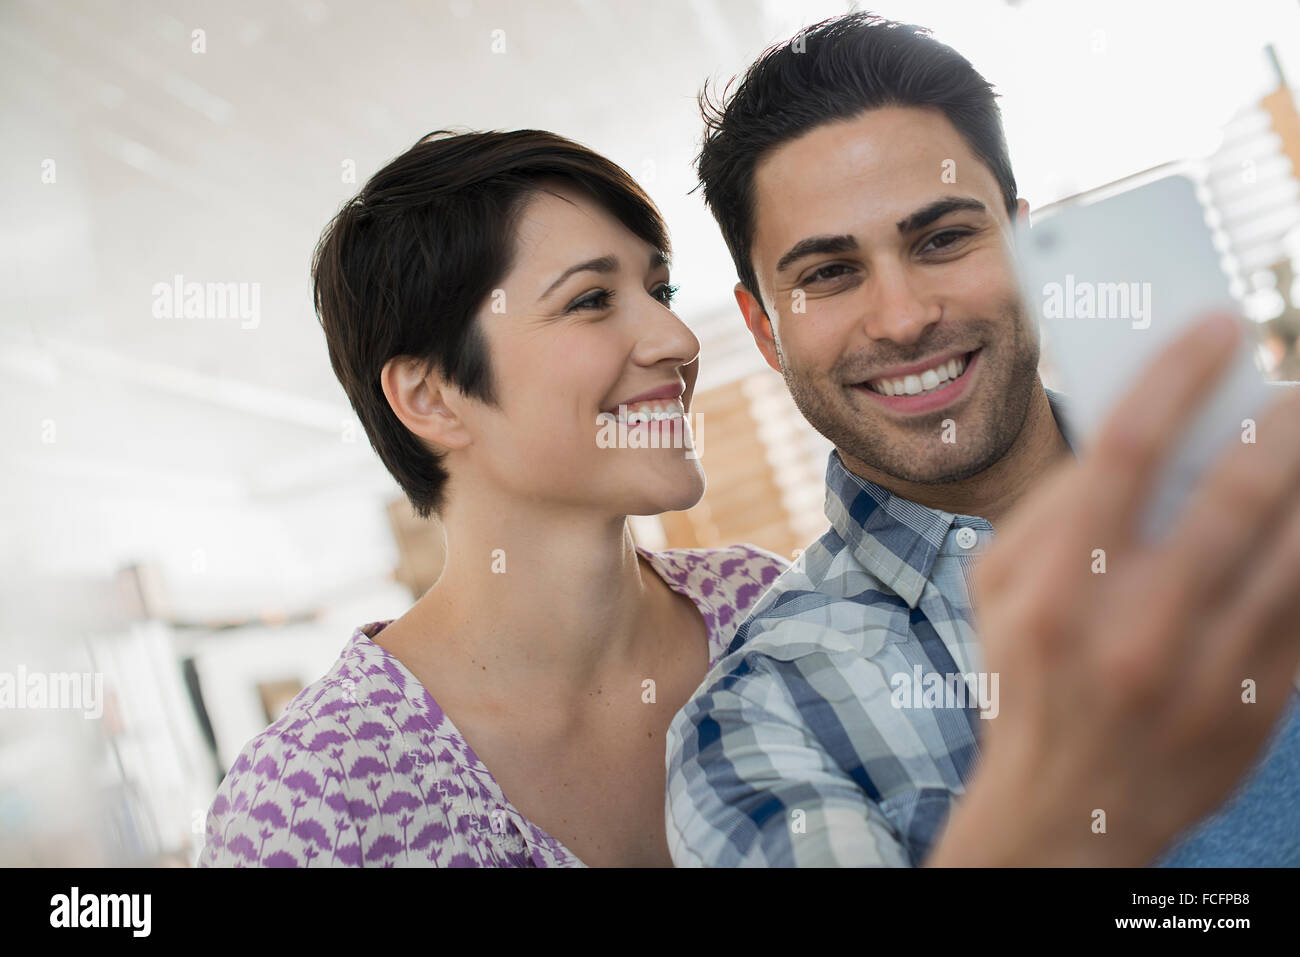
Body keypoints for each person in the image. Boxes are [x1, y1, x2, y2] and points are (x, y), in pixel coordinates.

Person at [666, 11, 1300, 866]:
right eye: (829, 273)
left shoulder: (1270, 483)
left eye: (944, 237)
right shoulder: (755, 720)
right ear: (767, 330)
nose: (903, 318)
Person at [198, 129, 788, 867]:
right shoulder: (312, 797)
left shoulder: (771, 612)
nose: (675, 337)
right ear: (432, 397)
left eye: (659, 290)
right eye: (593, 299)